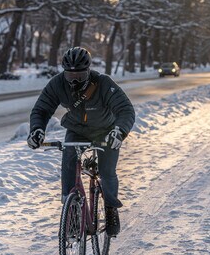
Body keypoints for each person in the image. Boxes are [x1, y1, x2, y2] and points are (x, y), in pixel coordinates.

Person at [27, 46, 135, 236]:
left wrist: (119, 131)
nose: (74, 81)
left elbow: (125, 110)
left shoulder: (103, 83)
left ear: (88, 71)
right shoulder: (58, 84)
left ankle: (110, 209)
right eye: (70, 76)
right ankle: (71, 209)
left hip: (106, 131)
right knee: (69, 158)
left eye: (80, 76)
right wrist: (37, 129)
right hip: (77, 130)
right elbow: (41, 110)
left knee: (107, 170)